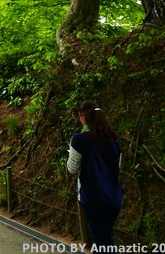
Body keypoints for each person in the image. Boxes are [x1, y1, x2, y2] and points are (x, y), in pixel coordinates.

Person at [67, 100, 123, 248]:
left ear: (83, 116)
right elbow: (118, 166)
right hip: (114, 197)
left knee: (103, 241)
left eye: (79, 116)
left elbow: (72, 169)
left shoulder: (79, 140)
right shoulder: (114, 139)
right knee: (103, 237)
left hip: (93, 199)